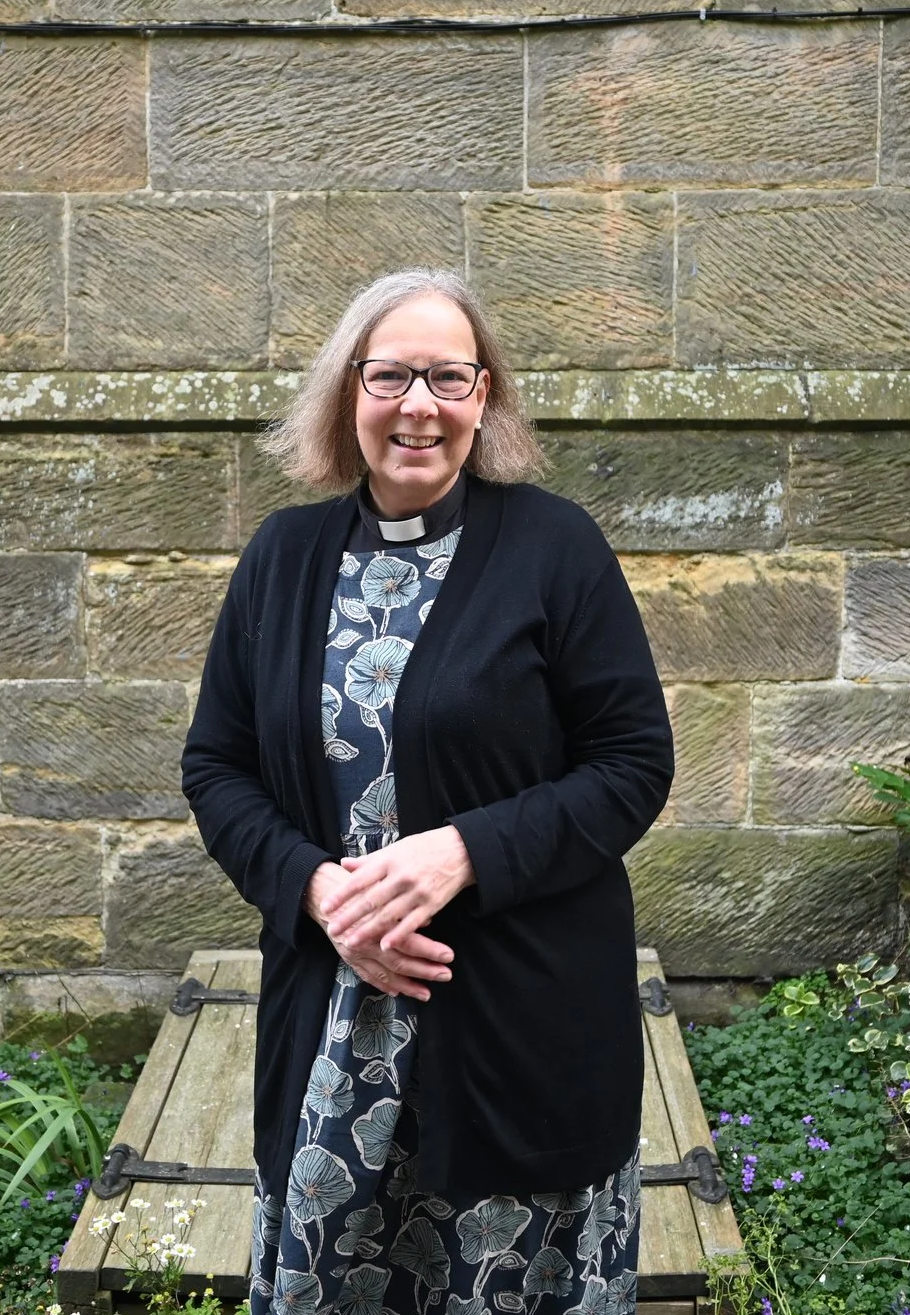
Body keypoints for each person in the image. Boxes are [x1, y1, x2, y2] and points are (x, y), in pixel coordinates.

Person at [180, 267, 674, 1315]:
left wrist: (462, 852)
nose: (418, 404)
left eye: (448, 377)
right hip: (333, 1017)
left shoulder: (555, 548)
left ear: (483, 396)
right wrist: (322, 894)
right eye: (390, 374)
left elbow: (631, 764)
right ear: (345, 392)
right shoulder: (281, 556)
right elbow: (214, 764)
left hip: (515, 1015)